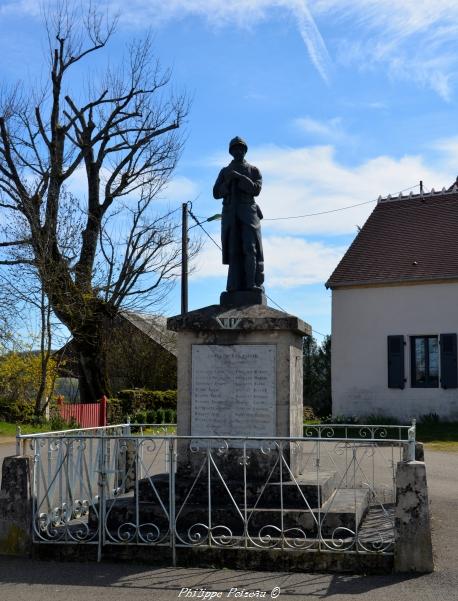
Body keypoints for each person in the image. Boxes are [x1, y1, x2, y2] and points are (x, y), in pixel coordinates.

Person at [213, 136, 264, 293]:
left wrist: (240, 177)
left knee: (250, 247)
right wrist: (228, 181)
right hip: (230, 212)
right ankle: (234, 285)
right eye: (235, 149)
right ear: (231, 152)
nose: (238, 151)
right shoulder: (224, 171)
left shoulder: (253, 170)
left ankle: (251, 284)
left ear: (245, 151)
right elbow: (216, 193)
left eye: (241, 148)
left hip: (248, 212)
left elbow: (256, 189)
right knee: (234, 249)